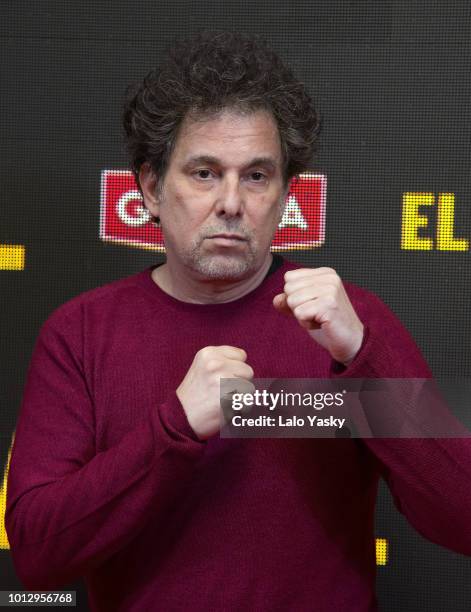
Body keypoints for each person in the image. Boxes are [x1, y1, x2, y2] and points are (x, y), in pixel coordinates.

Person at [5, 30, 471, 612]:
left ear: (283, 195)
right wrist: (173, 428)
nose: (231, 202)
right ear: (150, 187)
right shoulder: (80, 332)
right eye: (204, 173)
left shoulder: (354, 327)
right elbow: (36, 556)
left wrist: (365, 360)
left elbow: (463, 520)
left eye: (256, 175)